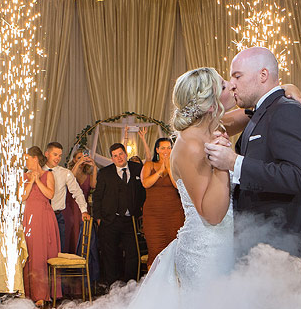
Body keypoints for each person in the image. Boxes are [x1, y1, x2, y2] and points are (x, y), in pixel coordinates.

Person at [205, 46, 301, 272]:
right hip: (260, 247)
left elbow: (298, 177)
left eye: (237, 76)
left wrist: (234, 162)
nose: (233, 84)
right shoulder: (259, 113)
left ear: (263, 75)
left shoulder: (287, 110)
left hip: (284, 248)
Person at [137, 67, 238, 291]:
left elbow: (255, 112)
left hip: (223, 245)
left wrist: (287, 89)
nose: (232, 85)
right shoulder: (191, 145)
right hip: (206, 252)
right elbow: (212, 215)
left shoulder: (211, 128)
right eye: (223, 85)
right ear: (210, 104)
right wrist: (223, 163)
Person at [91, 142, 145, 287]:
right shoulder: (105, 173)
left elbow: (143, 192)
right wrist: (98, 219)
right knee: (110, 255)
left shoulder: (137, 169)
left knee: (132, 254)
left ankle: (130, 285)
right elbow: (97, 197)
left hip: (130, 220)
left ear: (125, 154)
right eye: (115, 156)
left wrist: (141, 211)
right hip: (110, 220)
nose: (119, 157)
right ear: (112, 158)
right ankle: (113, 286)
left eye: (121, 154)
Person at [21, 146, 59, 305]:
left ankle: (41, 295)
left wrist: (37, 180)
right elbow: (21, 197)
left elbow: (50, 194)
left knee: (40, 256)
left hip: (44, 218)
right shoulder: (24, 176)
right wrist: (30, 182)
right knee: (29, 254)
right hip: (29, 217)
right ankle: (28, 293)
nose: (26, 161)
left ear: (35, 158)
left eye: (27, 158)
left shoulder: (48, 174)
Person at [139, 138, 182, 269]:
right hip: (153, 216)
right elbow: (145, 183)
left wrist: (168, 168)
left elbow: (177, 186)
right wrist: (160, 170)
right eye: (162, 148)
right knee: (155, 251)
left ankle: (173, 287)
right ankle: (153, 287)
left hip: (174, 214)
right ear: (157, 150)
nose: (166, 151)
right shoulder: (149, 165)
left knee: (174, 251)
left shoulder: (177, 165)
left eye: (169, 147)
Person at [44, 142, 89, 251]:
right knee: (43, 250)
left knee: (59, 251)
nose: (58, 158)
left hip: (58, 216)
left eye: (60, 155)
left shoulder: (65, 173)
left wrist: (84, 210)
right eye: (55, 154)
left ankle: (59, 269)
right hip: (42, 217)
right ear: (46, 154)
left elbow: (77, 192)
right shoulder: (38, 172)